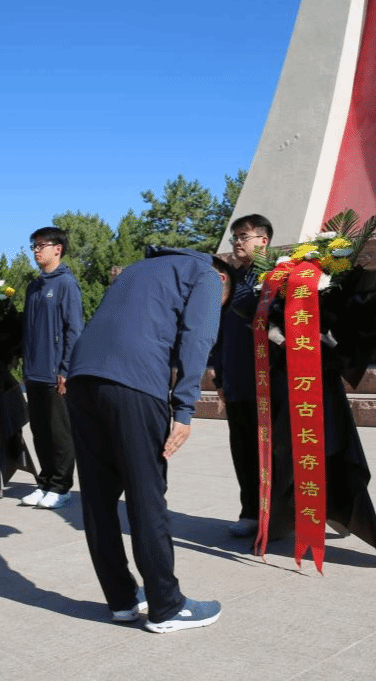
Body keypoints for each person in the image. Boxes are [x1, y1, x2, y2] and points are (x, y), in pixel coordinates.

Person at [66, 246, 232, 633]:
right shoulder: (207, 275)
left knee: (98, 499)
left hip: (82, 378)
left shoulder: (138, 269)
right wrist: (184, 409)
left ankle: (122, 600)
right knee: (146, 496)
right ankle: (166, 607)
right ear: (223, 279)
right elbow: (197, 338)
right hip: (134, 381)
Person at [214, 213, 272, 538]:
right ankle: (250, 511)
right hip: (237, 381)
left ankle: (277, 515)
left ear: (263, 240)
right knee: (243, 450)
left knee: (273, 451)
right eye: (234, 237)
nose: (237, 242)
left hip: (270, 382)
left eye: (243, 236)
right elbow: (219, 333)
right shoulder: (230, 281)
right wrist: (220, 378)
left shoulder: (278, 277)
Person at [20, 227, 83, 510]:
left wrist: (66, 369)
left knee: (60, 433)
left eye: (41, 245)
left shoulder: (66, 284)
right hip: (34, 372)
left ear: (58, 249)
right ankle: (44, 482)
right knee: (40, 431)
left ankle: (61, 487)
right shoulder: (34, 287)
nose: (36, 250)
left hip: (56, 373)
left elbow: (74, 330)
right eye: (33, 246)